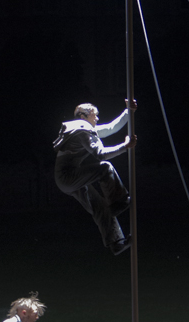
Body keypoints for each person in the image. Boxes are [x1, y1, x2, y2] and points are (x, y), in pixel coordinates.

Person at [53, 100, 135, 254]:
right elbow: (100, 154)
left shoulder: (81, 129)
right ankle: (118, 202)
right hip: (67, 177)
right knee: (105, 167)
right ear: (83, 116)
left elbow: (111, 127)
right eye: (94, 115)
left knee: (100, 207)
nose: (97, 118)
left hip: (67, 180)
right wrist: (125, 147)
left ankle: (116, 243)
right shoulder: (82, 131)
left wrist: (128, 111)